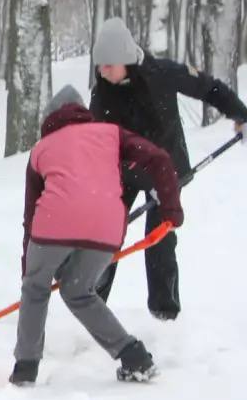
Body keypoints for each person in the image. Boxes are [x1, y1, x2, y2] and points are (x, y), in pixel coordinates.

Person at [12, 86, 184, 386]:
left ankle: (26, 368)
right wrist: (171, 209)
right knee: (78, 291)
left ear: (51, 118)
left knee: (36, 290)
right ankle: (134, 357)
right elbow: (158, 157)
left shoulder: (41, 149)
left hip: (53, 222)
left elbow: (31, 216)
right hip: (106, 227)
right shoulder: (111, 134)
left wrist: (30, 270)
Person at [89, 17, 247, 320]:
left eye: (107, 64)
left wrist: (241, 114)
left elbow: (209, 88)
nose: (102, 70)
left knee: (159, 238)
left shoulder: (161, 73)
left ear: (124, 58)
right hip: (122, 170)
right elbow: (98, 144)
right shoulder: (102, 94)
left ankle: (165, 315)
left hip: (165, 169)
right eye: (99, 65)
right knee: (105, 235)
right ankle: (92, 306)